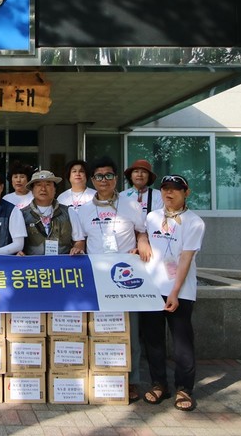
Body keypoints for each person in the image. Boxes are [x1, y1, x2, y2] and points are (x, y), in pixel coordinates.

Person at [74, 156, 151, 403]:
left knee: (130, 330)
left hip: (126, 277)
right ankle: (103, 377)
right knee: (100, 329)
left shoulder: (131, 205)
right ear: (92, 180)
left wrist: (142, 243)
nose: (104, 180)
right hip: (96, 277)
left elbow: (142, 232)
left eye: (108, 175)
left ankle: (132, 380)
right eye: (99, 176)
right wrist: (77, 248)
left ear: (116, 178)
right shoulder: (83, 210)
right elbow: (80, 240)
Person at [141, 174, 205, 412]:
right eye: (165, 189)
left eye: (175, 189)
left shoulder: (194, 222)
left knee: (182, 342)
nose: (169, 193)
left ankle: (184, 388)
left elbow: (186, 258)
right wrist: (142, 242)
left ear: (186, 192)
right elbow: (143, 234)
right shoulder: (152, 217)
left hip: (180, 291)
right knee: (153, 340)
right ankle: (159, 384)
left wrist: (175, 292)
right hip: (152, 288)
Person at [17, 170, 83, 256]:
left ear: (55, 189)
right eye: (38, 185)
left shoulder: (68, 212)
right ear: (32, 190)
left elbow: (79, 240)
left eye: (48, 185)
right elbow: (16, 244)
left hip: (62, 263)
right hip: (33, 264)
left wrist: (77, 248)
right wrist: (18, 253)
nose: (43, 189)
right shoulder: (22, 215)